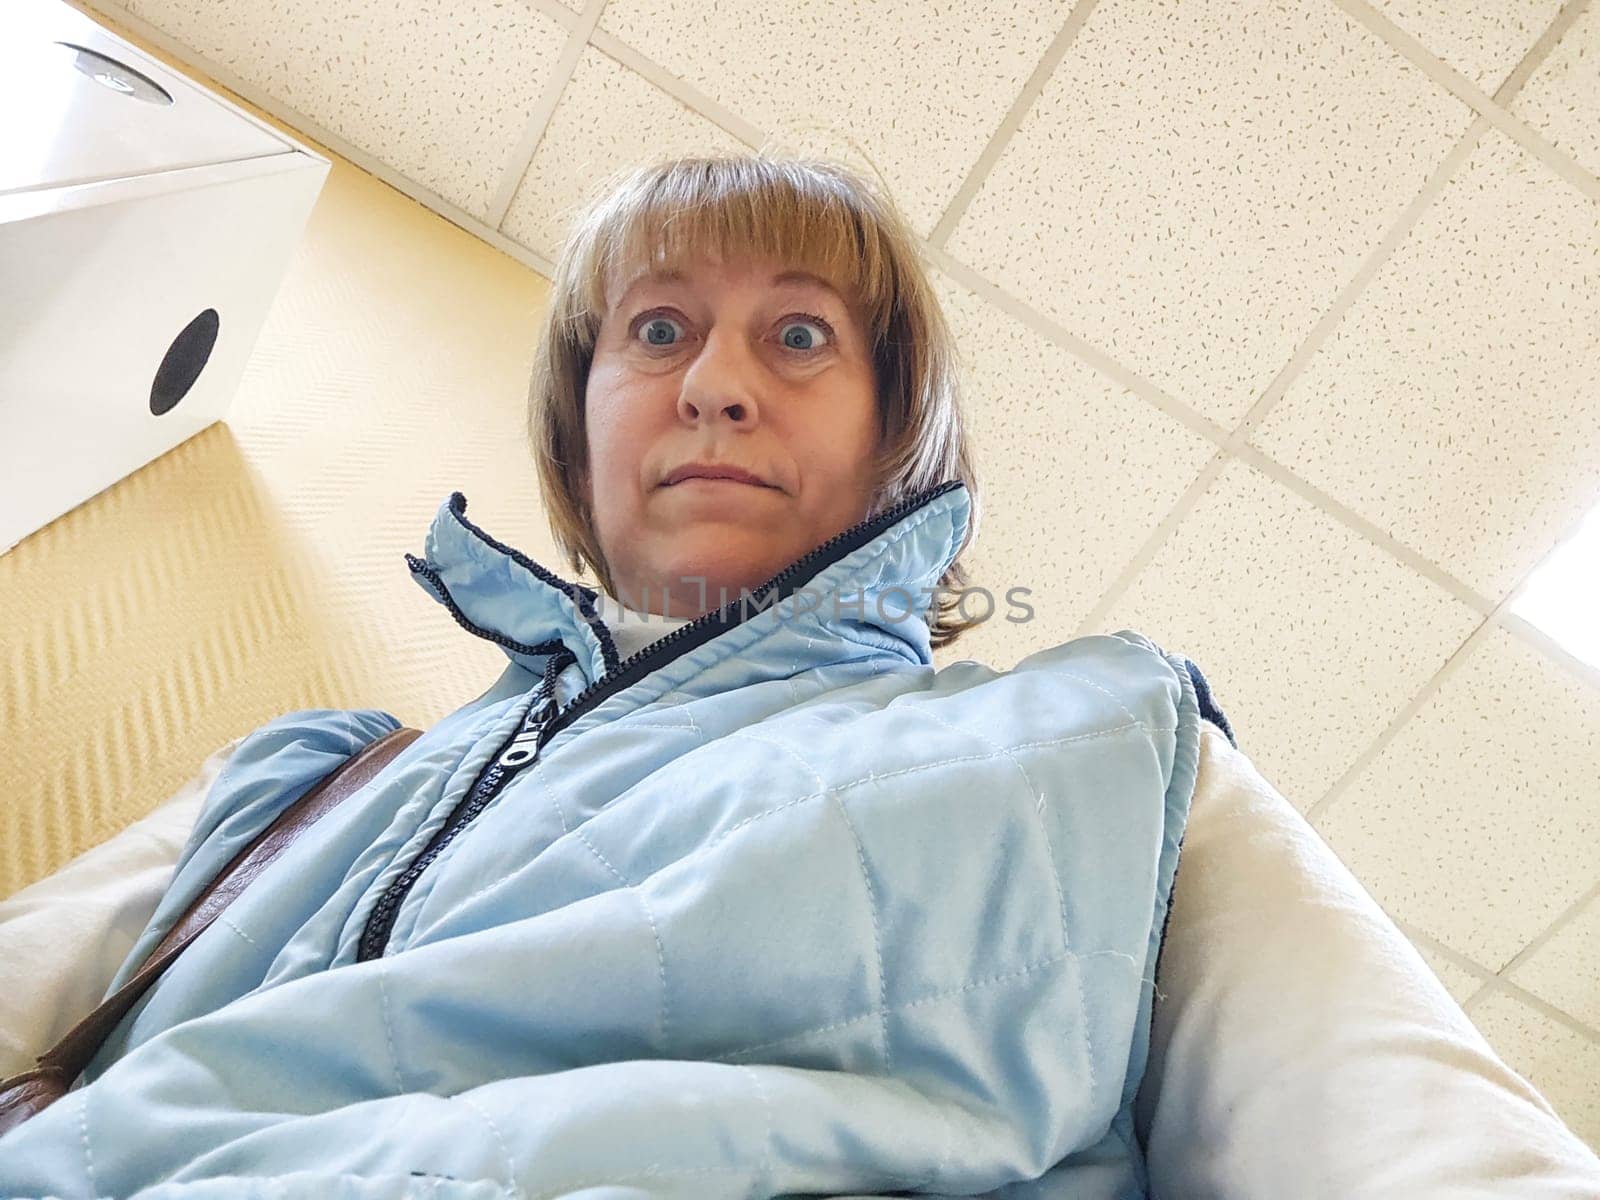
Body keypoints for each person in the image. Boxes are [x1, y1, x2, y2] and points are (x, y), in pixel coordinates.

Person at [0, 153, 1232, 1198]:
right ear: (579, 429)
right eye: (657, 331)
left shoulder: (1066, 741)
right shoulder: (301, 777)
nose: (714, 387)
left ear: (894, 435)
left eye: (798, 336)